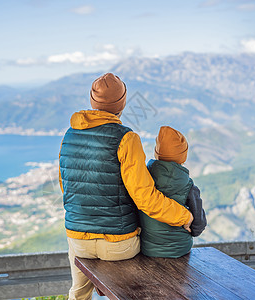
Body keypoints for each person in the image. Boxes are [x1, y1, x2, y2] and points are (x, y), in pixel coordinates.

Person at [59, 73, 194, 300]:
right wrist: (184, 217)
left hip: (78, 240)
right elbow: (146, 199)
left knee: (78, 291)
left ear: (93, 101)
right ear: (121, 104)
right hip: (119, 245)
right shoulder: (127, 138)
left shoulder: (69, 135)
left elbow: (67, 189)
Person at [139, 126, 207, 258]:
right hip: (180, 249)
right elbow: (199, 225)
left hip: (147, 248)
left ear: (157, 153)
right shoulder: (188, 186)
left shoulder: (144, 181)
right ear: (183, 157)